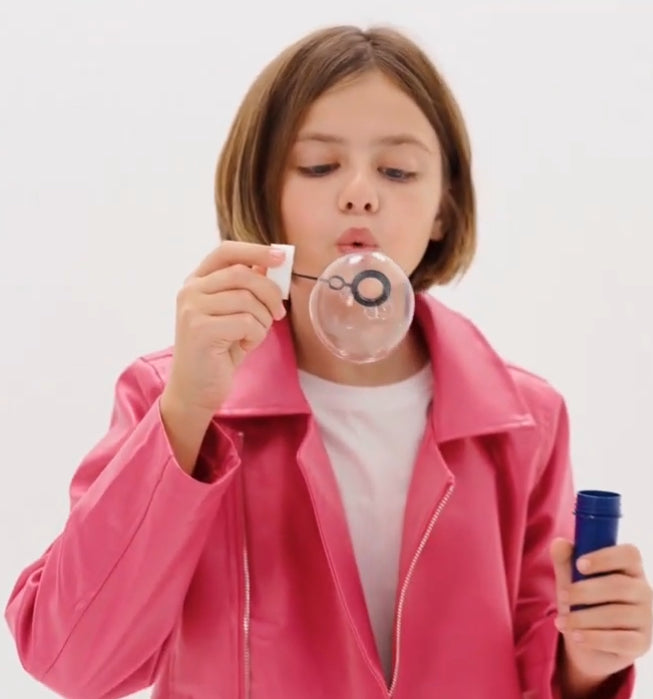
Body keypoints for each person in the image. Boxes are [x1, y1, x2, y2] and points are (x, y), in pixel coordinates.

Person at [5, 24, 652, 699]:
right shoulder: (172, 397)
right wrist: (186, 411)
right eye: (317, 165)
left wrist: (589, 657)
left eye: (398, 170)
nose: (360, 193)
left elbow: (534, 661)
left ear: (443, 208)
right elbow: (73, 664)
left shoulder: (525, 420)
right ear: (264, 191)